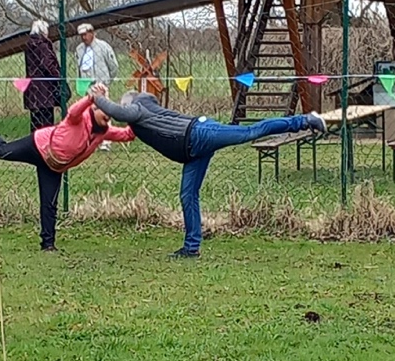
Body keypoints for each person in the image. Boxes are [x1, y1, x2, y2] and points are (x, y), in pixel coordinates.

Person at [91, 86, 327, 258]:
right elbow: (120, 125)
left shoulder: (138, 108)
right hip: (192, 150)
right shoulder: (143, 116)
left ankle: (304, 120)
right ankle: (191, 248)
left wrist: (97, 97)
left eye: (125, 106)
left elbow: (120, 113)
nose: (124, 111)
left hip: (199, 135)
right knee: (188, 195)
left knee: (250, 132)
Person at [0, 94, 135, 251]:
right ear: (94, 110)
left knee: (49, 203)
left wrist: (137, 117)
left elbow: (128, 135)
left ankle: (48, 244)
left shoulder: (103, 133)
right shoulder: (78, 119)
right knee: (2, 152)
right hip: (38, 146)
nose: (109, 117)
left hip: (53, 166)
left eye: (111, 114)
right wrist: (91, 98)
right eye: (105, 112)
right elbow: (73, 111)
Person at [76, 23, 118, 151]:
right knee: (87, 113)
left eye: (85, 34)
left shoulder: (103, 46)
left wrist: (106, 81)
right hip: (86, 86)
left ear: (92, 33)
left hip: (101, 85)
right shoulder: (79, 49)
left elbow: (113, 66)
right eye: (81, 35)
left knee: (104, 112)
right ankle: (89, 138)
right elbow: (79, 68)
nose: (84, 38)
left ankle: (106, 141)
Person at [24, 19, 67, 131]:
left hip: (33, 88)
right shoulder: (43, 46)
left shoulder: (29, 45)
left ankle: (34, 139)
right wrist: (59, 77)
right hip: (45, 90)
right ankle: (46, 140)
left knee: (35, 121)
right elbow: (47, 64)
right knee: (46, 121)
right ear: (43, 31)